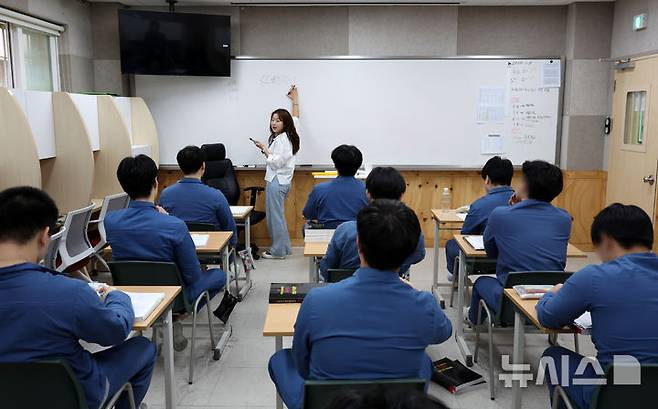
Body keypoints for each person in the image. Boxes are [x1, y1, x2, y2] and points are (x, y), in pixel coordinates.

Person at [268, 199, 453, 409]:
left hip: (329, 403)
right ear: (410, 252)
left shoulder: (317, 300)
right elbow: (444, 332)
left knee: (281, 359)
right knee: (423, 362)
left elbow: (303, 366)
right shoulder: (424, 304)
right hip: (394, 402)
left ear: (358, 244)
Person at [0, 186, 155, 409]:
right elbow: (114, 332)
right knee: (142, 347)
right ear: (45, 237)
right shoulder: (69, 293)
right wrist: (117, 297)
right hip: (75, 396)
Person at [536, 204, 658, 409]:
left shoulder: (594, 276)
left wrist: (551, 293)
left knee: (553, 357)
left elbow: (548, 317)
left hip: (616, 394)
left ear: (607, 241)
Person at [104, 154, 227, 350]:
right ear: (155, 182)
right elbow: (192, 275)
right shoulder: (174, 225)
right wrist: (166, 218)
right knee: (219, 275)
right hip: (173, 298)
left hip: (133, 294)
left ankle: (164, 321)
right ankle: (176, 318)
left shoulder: (110, 221)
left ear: (124, 187)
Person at [468, 160, 572, 324]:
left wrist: (511, 210)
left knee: (481, 282)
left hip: (512, 299)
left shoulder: (501, 215)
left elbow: (491, 252)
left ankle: (473, 322)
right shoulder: (564, 219)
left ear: (524, 186)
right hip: (551, 299)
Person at [320, 167, 425, 280]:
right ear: (401, 195)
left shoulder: (346, 230)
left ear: (368, 193)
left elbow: (326, 269)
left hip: (344, 286)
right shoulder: (412, 230)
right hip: (392, 286)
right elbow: (418, 255)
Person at [445, 156, 514, 280]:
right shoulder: (522, 202)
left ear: (487, 179)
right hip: (515, 260)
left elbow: (465, 235)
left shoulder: (480, 205)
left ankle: (456, 277)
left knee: (452, 244)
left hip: (484, 262)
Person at [252, 85, 300, 259]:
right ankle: (284, 248)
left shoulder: (282, 140)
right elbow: (296, 118)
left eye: (278, 120)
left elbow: (277, 163)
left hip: (276, 181)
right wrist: (295, 100)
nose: (274, 123)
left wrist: (265, 149)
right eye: (272, 119)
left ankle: (278, 251)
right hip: (281, 181)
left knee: (275, 218)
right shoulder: (292, 134)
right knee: (277, 216)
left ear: (285, 123)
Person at [159, 145, 237, 247]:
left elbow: (162, 226)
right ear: (203, 166)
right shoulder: (216, 195)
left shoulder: (166, 194)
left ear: (181, 168)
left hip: (177, 252)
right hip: (212, 252)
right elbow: (230, 229)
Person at [302, 145, 368, 229]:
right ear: (358, 166)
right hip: (357, 231)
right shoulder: (367, 189)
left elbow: (308, 214)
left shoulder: (320, 189)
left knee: (307, 226)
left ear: (335, 165)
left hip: (326, 229)